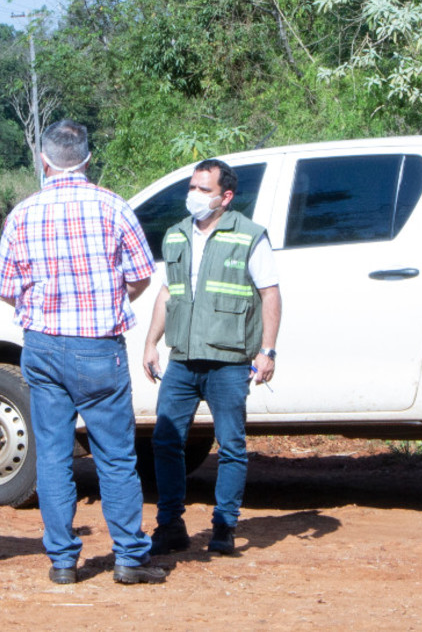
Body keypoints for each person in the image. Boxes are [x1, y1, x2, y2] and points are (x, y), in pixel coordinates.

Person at [0, 119, 165, 585]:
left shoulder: (22, 214)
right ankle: (129, 556)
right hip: (97, 347)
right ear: (87, 159)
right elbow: (142, 276)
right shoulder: (114, 207)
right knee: (115, 455)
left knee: (51, 454)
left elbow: (6, 289)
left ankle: (63, 561)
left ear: (44, 161)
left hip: (43, 345)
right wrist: (106, 301)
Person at [143, 158, 281, 556]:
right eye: (192, 187)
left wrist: (267, 351)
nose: (195, 196)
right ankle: (170, 525)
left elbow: (270, 292)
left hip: (229, 360)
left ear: (226, 196)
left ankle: (224, 527)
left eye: (204, 189)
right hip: (183, 358)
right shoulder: (175, 235)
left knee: (232, 446)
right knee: (166, 442)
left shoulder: (250, 235)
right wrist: (151, 342)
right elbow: (169, 293)